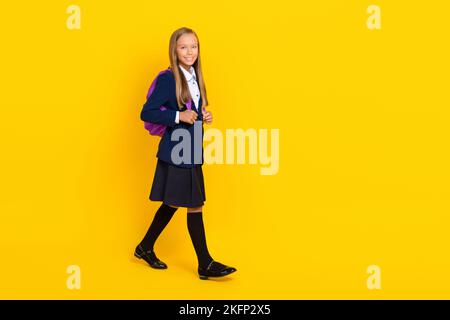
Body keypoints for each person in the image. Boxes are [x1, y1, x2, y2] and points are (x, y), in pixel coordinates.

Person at [136, 27, 237, 280]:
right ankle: (205, 263)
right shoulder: (169, 78)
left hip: (191, 150)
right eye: (183, 47)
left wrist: (204, 115)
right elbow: (146, 112)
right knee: (193, 204)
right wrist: (178, 115)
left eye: (194, 46)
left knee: (176, 203)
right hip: (177, 150)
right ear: (174, 50)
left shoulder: (194, 76)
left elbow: (193, 110)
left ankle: (145, 247)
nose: (189, 52)